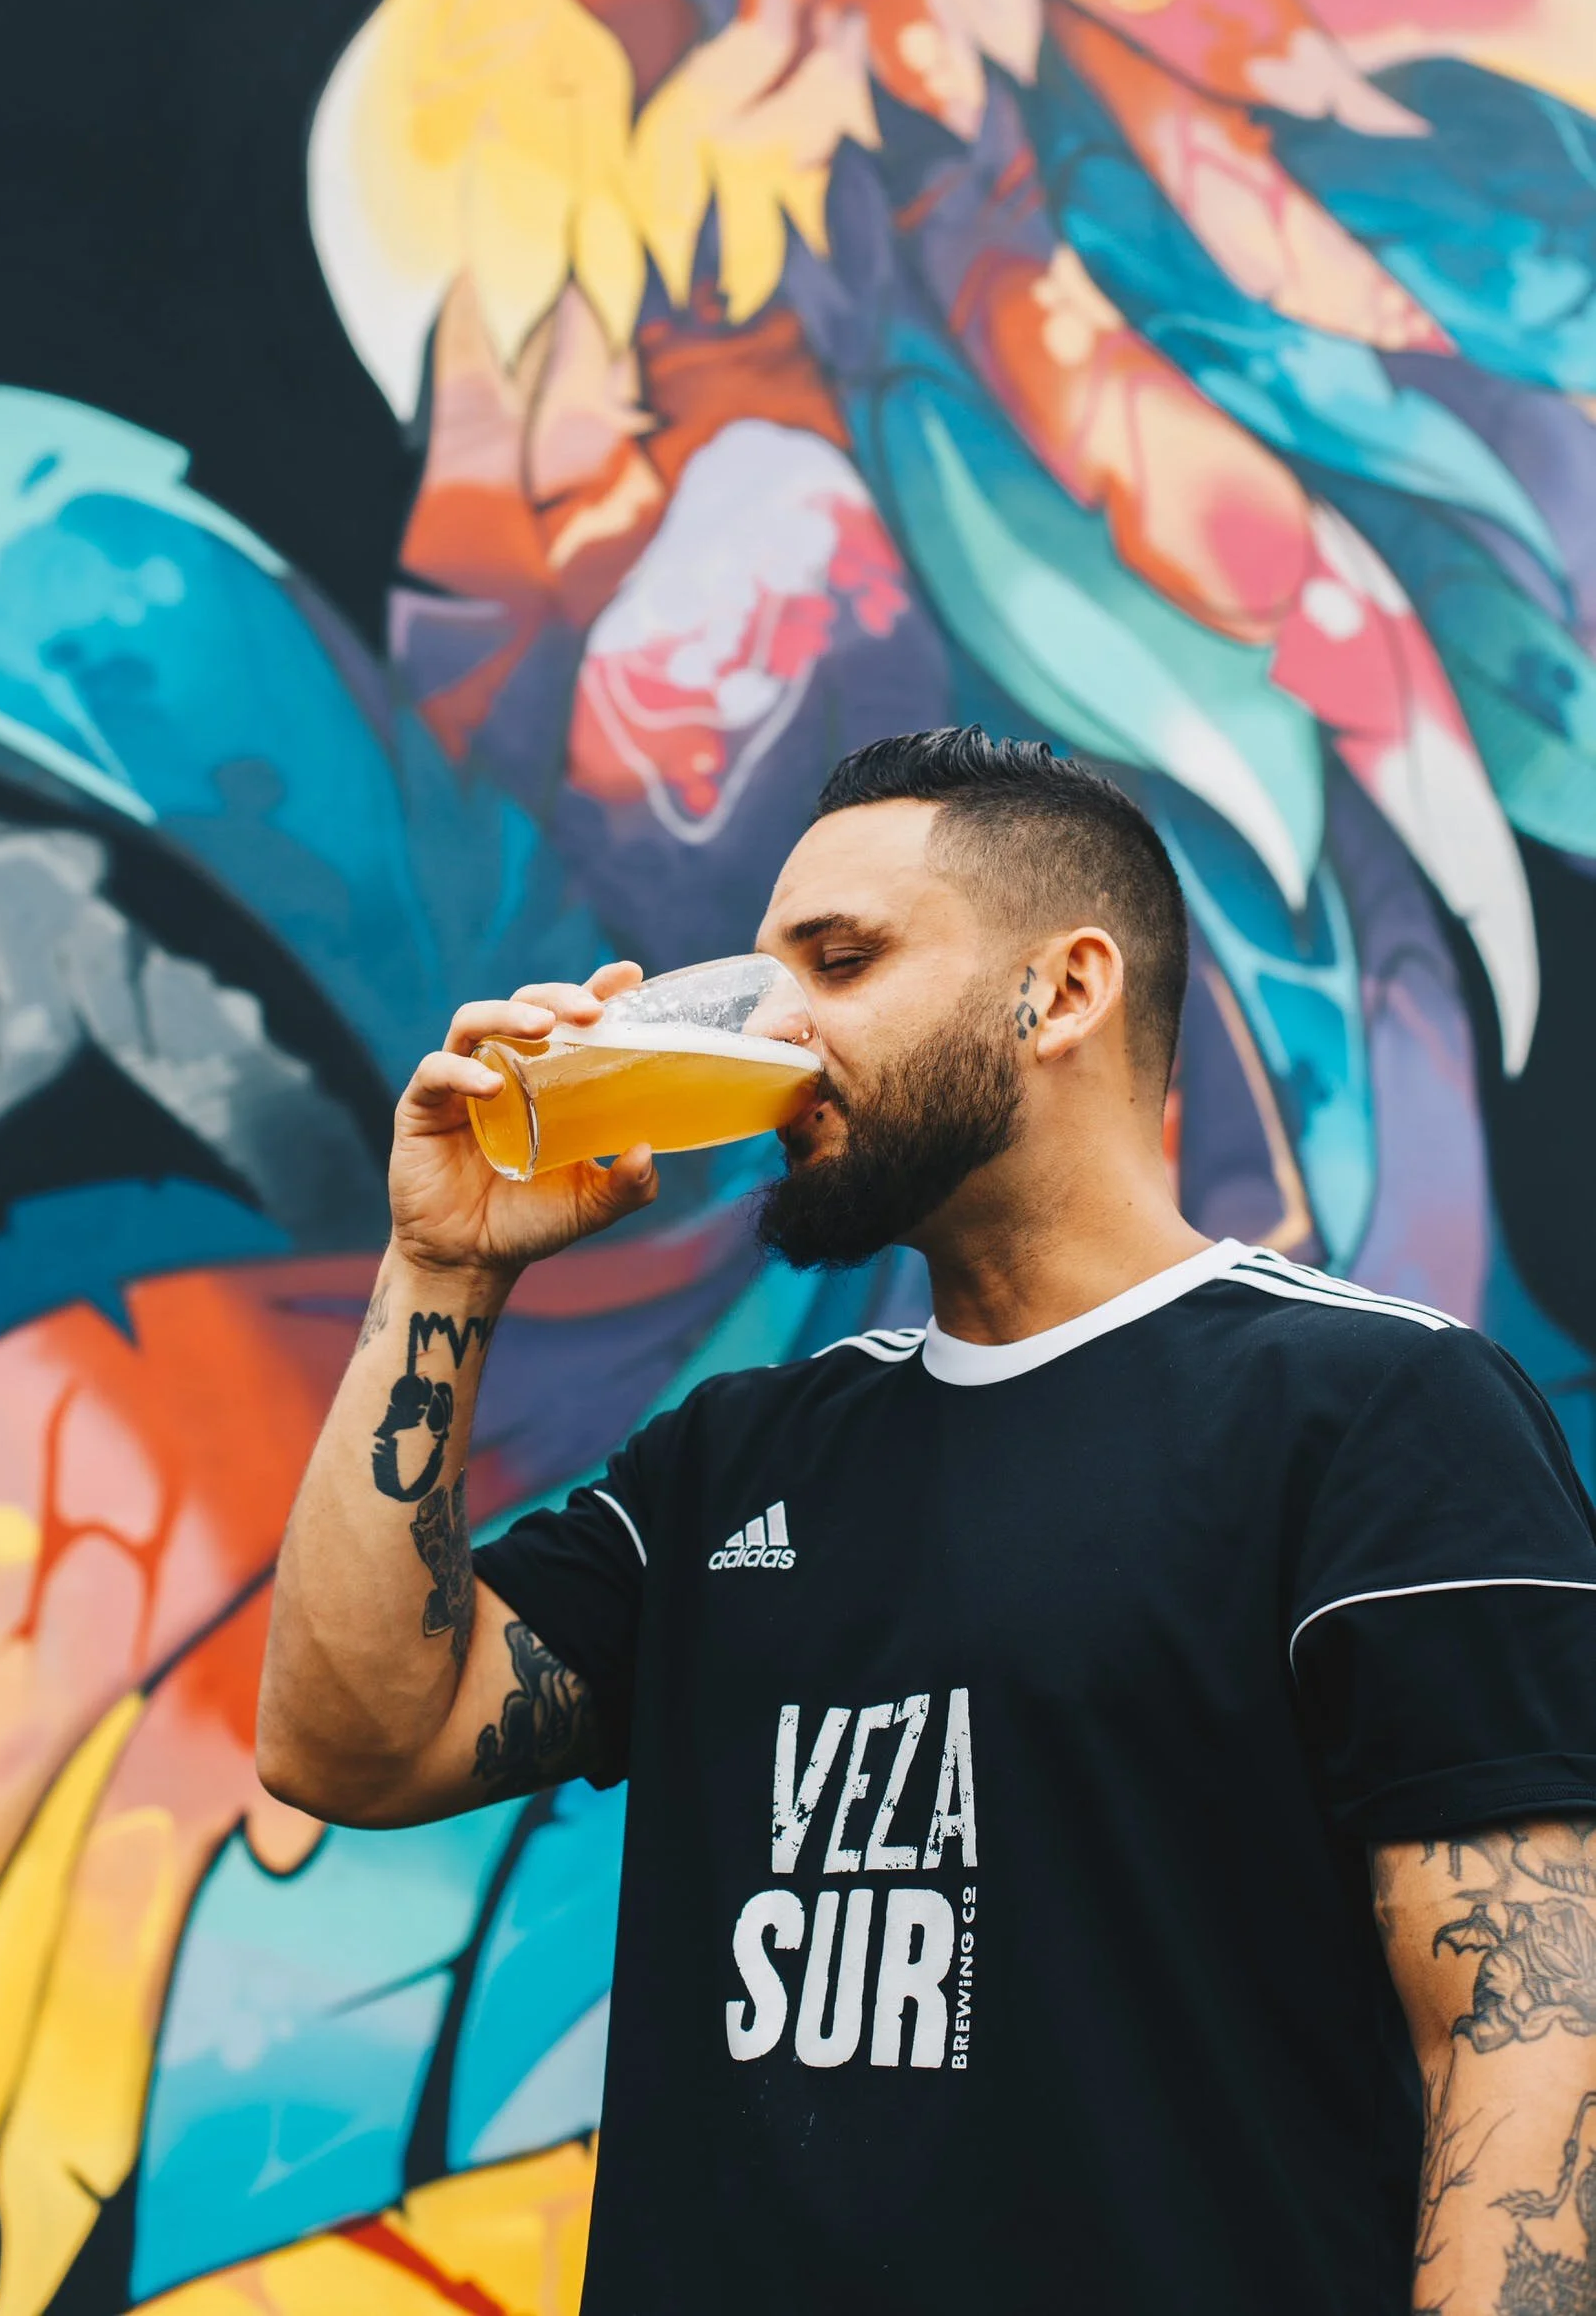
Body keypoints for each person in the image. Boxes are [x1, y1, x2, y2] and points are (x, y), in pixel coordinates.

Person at [259, 728, 1596, 2316]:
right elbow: (351, 1744)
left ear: (1063, 990)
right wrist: (444, 1267)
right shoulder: (733, 1459)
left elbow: (1517, 2045)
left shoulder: (1373, 1411)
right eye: (763, 974)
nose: (775, 1027)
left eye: (840, 961)